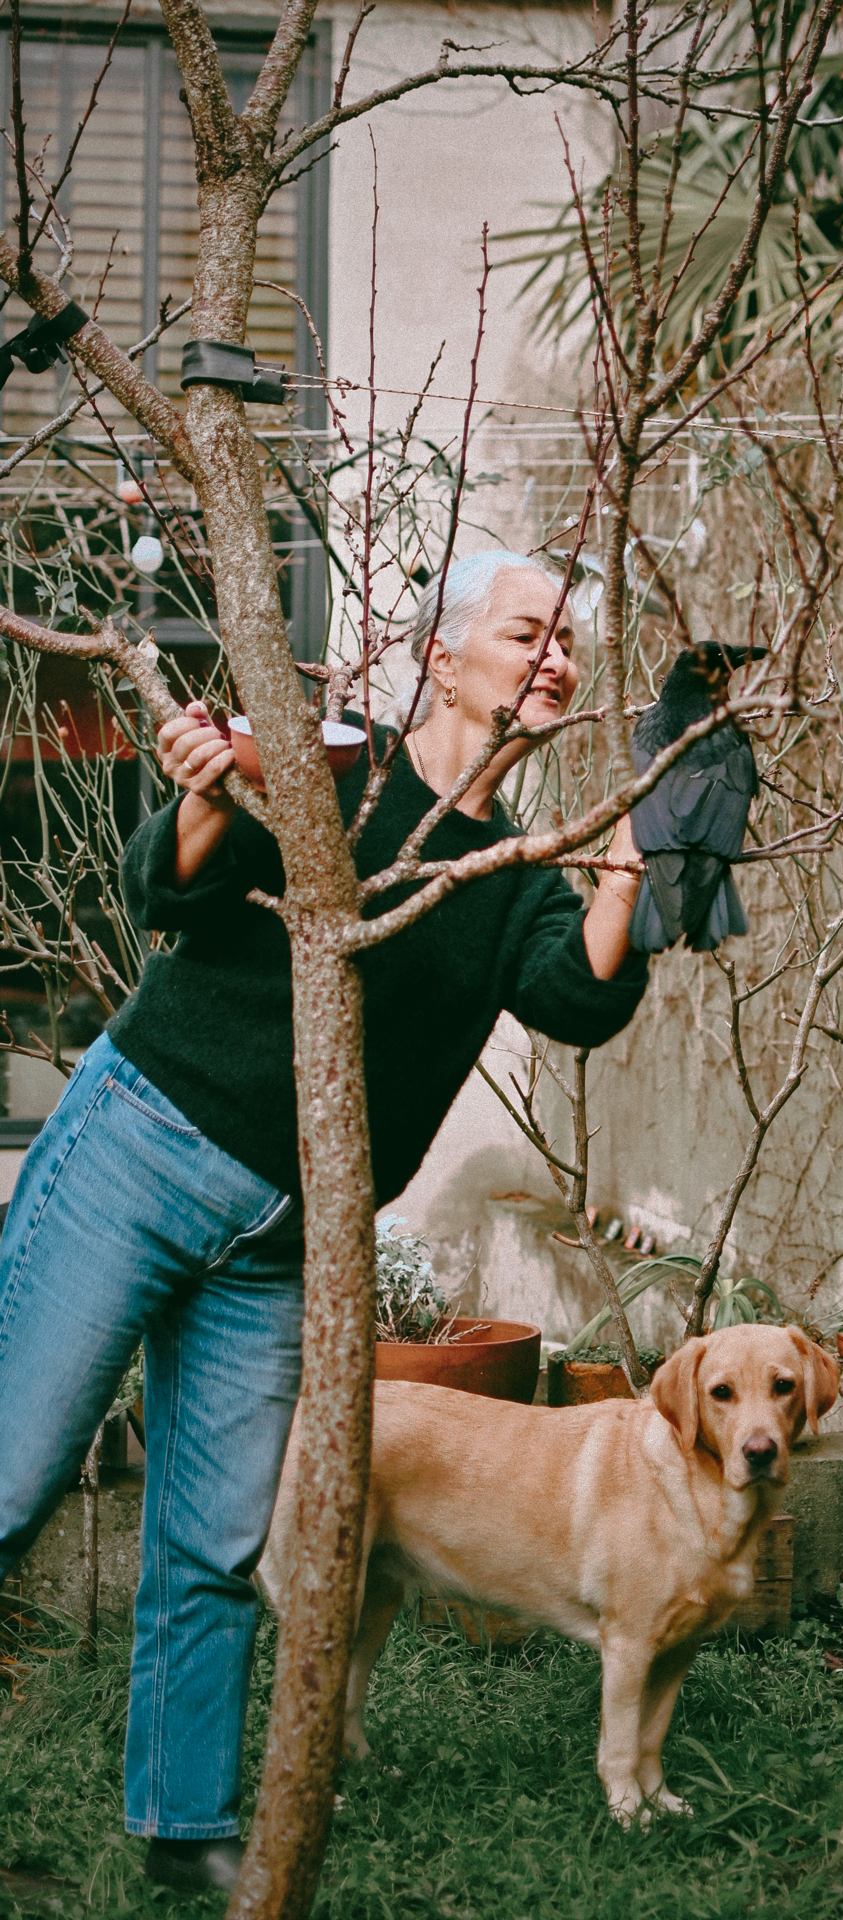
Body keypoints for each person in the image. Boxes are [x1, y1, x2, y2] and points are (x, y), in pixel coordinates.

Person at [0, 551, 648, 1894]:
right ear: (444, 656)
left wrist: (632, 871)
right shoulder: (340, 773)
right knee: (9, 1477)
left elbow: (580, 999)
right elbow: (175, 890)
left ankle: (183, 1829)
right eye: (528, 632)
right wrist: (193, 797)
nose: (555, 659)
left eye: (569, 643)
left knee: (216, 1544)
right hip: (143, 1148)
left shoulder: (516, 876)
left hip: (285, 1244)